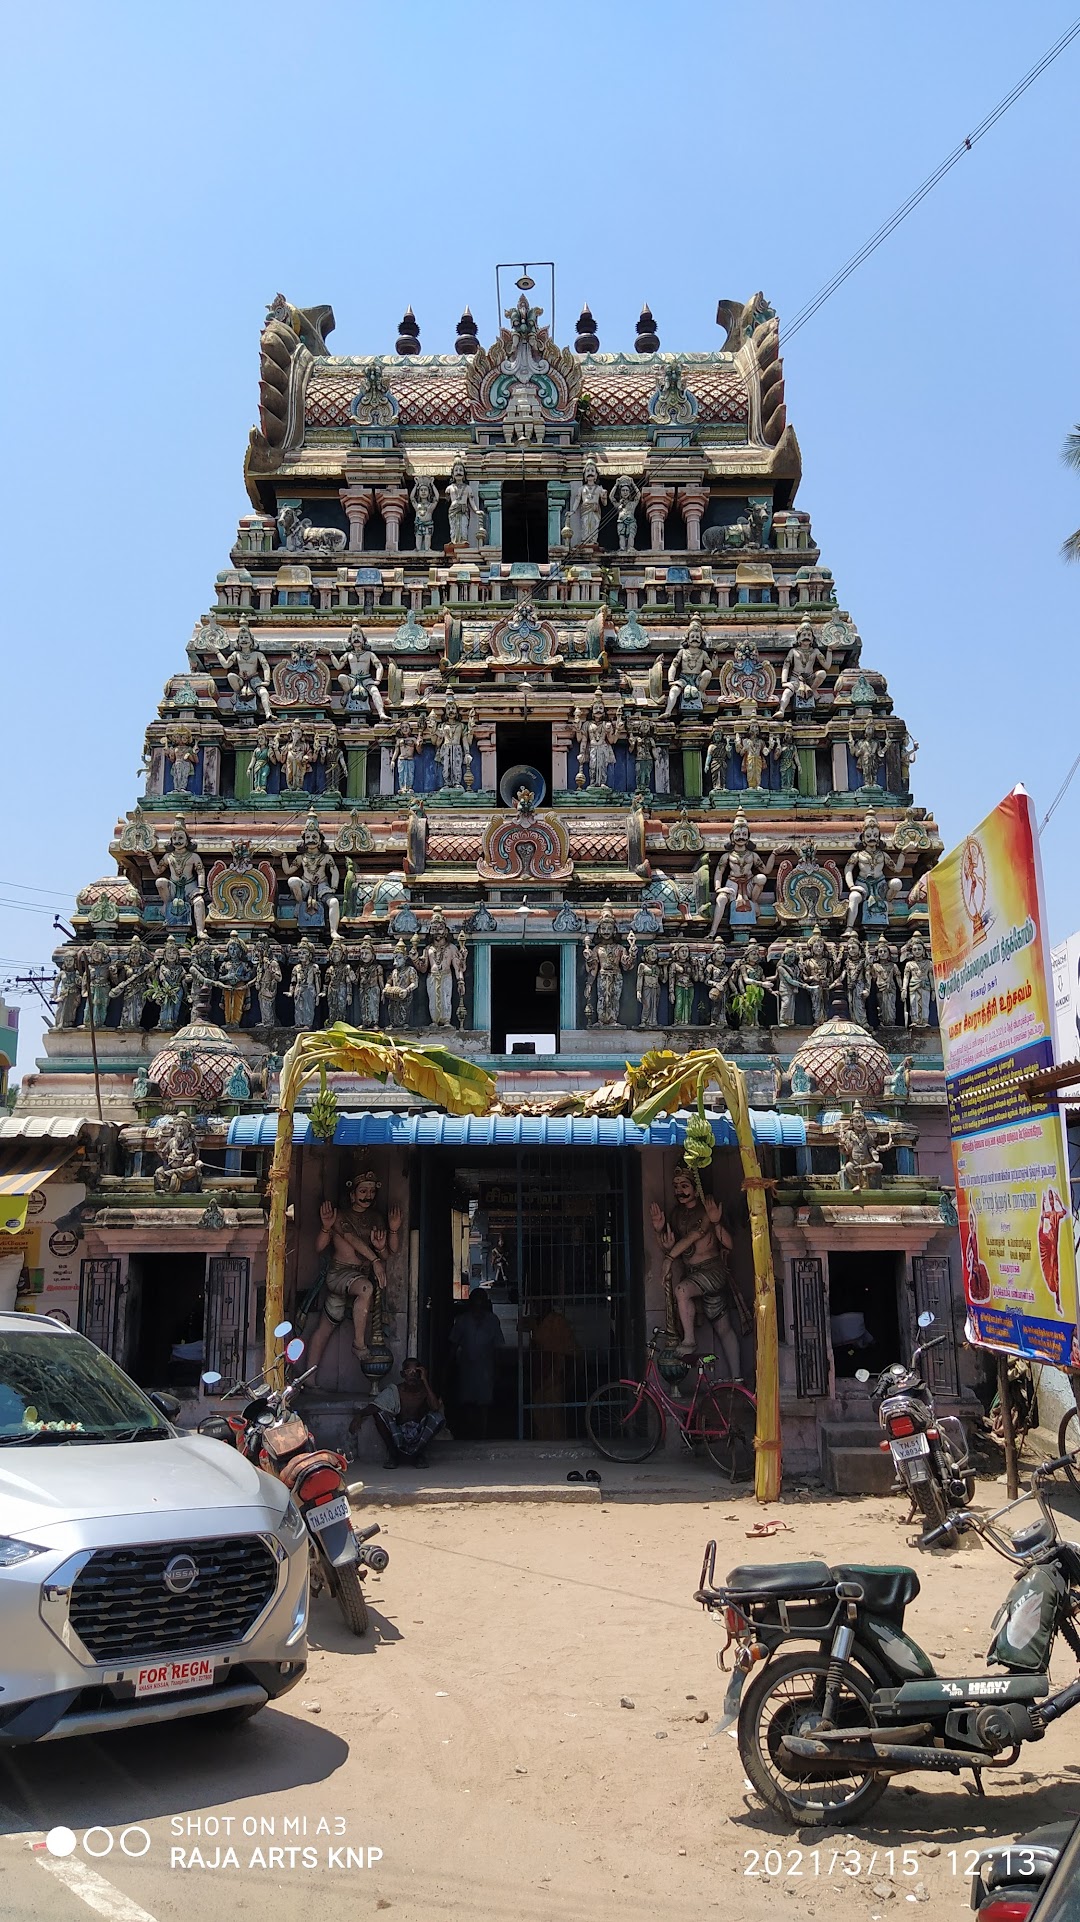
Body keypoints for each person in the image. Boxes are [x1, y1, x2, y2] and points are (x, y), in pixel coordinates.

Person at [351, 1359, 444, 1468]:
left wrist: (425, 1381)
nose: (412, 1375)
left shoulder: (424, 1391)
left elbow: (435, 1407)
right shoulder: (396, 1390)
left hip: (418, 1433)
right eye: (409, 1371)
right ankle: (393, 1454)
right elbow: (377, 1405)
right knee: (380, 1414)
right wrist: (360, 1415)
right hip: (399, 1431)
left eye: (416, 1371)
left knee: (437, 1418)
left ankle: (419, 1455)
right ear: (402, 1374)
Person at [448, 1287, 504, 1439]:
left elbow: (498, 1346)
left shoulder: (492, 1320)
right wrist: (450, 1365)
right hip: (467, 1366)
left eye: (481, 1302)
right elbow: (454, 1344)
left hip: (486, 1367)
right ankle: (470, 1432)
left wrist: (498, 1368)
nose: (478, 1305)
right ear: (471, 1303)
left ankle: (483, 1434)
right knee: (468, 1402)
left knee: (484, 1403)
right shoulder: (462, 1320)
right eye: (476, 1302)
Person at [521, 1300, 580, 1441]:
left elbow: (570, 1350)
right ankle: (542, 1438)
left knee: (554, 1411)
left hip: (555, 1370)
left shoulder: (557, 1321)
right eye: (536, 1304)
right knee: (539, 1410)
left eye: (541, 1303)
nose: (538, 1306)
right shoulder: (536, 1322)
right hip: (539, 1370)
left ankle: (558, 1440)